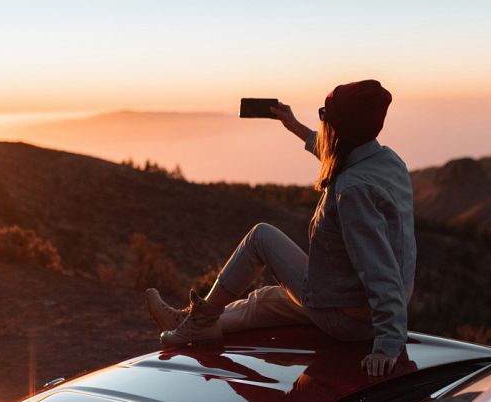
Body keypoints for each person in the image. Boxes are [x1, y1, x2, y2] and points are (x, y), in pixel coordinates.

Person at [146, 80, 415, 376]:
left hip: (349, 319)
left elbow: (380, 269)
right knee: (266, 300)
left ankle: (197, 324)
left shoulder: (353, 190)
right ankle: (191, 322)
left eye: (325, 114)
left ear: (341, 127)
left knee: (261, 237)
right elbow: (336, 154)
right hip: (347, 301)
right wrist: (294, 126)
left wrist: (389, 342)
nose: (322, 119)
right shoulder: (386, 161)